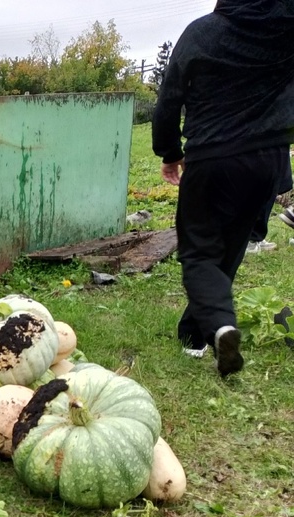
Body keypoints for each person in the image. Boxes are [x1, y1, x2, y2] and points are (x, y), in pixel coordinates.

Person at [152, 0, 294, 376]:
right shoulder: (284, 29)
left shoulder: (204, 31)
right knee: (230, 246)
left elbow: (169, 98)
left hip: (213, 156)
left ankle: (215, 328)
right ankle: (198, 333)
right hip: (271, 159)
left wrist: (169, 152)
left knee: (198, 252)